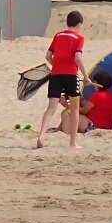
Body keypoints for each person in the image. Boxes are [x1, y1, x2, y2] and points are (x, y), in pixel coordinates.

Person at [38, 10, 88, 149]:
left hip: (56, 75)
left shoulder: (58, 35)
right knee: (74, 108)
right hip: (71, 75)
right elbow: (78, 57)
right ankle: (73, 142)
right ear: (79, 24)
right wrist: (86, 76)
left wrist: (56, 66)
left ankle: (41, 136)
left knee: (51, 108)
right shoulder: (79, 38)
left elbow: (48, 56)